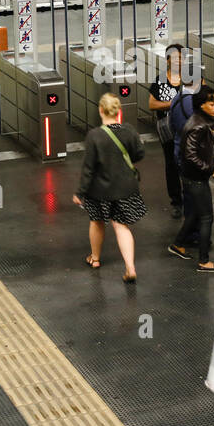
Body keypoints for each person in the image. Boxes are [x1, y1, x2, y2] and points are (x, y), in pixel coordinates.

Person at [72, 93, 146, 284]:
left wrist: (80, 192)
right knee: (121, 225)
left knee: (96, 221)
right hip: (125, 187)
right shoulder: (129, 130)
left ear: (101, 110)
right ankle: (130, 267)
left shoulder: (95, 136)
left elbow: (88, 168)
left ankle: (95, 259)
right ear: (118, 111)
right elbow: (139, 154)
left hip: (100, 190)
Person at [169, 84, 214, 273]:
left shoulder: (201, 121)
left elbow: (204, 150)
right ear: (201, 104)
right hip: (196, 179)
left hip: (191, 177)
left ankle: (178, 244)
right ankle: (204, 261)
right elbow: (190, 156)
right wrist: (210, 171)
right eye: (211, 103)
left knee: (195, 214)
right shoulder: (199, 125)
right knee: (207, 217)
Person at [148, 44, 187, 219]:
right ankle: (176, 202)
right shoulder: (160, 80)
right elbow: (152, 104)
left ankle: (190, 196)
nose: (179, 60)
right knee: (171, 164)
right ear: (168, 60)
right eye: (175, 57)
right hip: (167, 129)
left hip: (187, 127)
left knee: (187, 162)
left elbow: (202, 99)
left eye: (181, 57)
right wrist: (174, 102)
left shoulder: (191, 79)